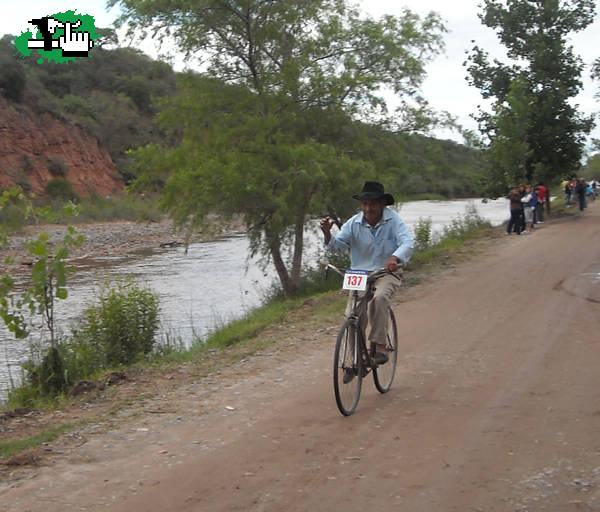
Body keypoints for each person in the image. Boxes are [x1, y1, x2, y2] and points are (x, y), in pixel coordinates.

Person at [320, 181, 414, 365]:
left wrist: (395, 257)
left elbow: (407, 242)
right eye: (365, 204)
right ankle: (357, 358)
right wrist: (327, 235)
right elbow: (338, 248)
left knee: (379, 299)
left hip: (386, 271)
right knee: (352, 315)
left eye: (372, 204)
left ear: (381, 205)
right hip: (359, 273)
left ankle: (379, 344)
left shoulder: (393, 221)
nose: (368, 208)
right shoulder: (353, 223)